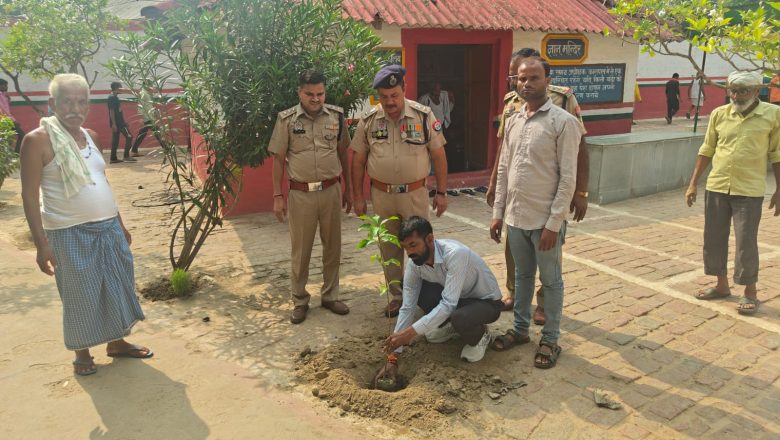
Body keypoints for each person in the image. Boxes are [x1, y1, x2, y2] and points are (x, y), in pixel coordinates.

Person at [20, 74, 151, 376]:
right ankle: (82, 353)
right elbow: (28, 196)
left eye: (81, 102)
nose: (74, 108)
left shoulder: (91, 135)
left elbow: (101, 182)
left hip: (108, 228)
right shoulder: (36, 141)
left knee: (117, 286)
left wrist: (121, 224)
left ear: (88, 105)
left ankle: (117, 343)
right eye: (67, 101)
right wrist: (41, 245)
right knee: (80, 294)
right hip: (68, 233)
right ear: (53, 103)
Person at [489, 57, 582, 369]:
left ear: (547, 80)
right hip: (516, 218)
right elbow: (504, 169)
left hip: (545, 222)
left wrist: (555, 223)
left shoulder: (562, 122)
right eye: (520, 79)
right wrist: (498, 213)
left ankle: (551, 339)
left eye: (533, 78)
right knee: (523, 276)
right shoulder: (514, 120)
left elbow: (568, 177)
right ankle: (520, 329)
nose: (525, 84)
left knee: (551, 280)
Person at [351, 65, 448, 318]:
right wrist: (358, 196)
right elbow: (358, 160)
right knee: (388, 246)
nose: (390, 101)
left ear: (404, 90)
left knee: (423, 246)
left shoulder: (423, 116)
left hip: (415, 194)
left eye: (394, 95)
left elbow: (438, 156)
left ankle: (429, 296)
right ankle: (396, 296)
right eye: (384, 97)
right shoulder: (369, 121)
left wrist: (442, 192)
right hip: (381, 195)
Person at [685, 70, 780, 315]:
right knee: (713, 238)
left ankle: (750, 292)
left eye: (743, 91)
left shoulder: (772, 114)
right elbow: (707, 149)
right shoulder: (719, 114)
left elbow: (776, 155)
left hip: (749, 190)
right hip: (717, 185)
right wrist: (693, 183)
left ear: (756, 91)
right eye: (733, 90)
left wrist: (779, 189)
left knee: (745, 241)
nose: (737, 95)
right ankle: (721, 285)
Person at [372, 216, 503, 384]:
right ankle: (453, 326)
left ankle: (480, 336)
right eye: (405, 248)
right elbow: (408, 307)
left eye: (413, 245)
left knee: (459, 317)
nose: (410, 253)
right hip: (458, 300)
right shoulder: (415, 263)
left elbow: (448, 305)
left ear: (430, 239)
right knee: (413, 288)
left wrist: (409, 333)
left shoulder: (455, 254)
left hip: (486, 303)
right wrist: (393, 357)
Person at [269, 70, 352, 324]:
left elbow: (343, 153)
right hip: (301, 194)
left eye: (320, 93)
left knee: (333, 247)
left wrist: (347, 187)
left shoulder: (336, 116)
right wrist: (277, 195)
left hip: (331, 190)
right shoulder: (286, 120)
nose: (316, 99)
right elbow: (278, 159)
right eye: (310, 94)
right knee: (301, 250)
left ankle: (330, 295)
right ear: (299, 92)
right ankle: (300, 300)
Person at [107, 82, 136, 164]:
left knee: (115, 140)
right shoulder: (112, 97)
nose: (122, 89)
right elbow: (111, 111)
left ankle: (113, 158)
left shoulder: (114, 97)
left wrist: (123, 121)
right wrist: (114, 124)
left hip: (119, 122)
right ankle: (126, 156)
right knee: (129, 136)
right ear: (117, 88)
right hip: (118, 123)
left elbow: (118, 111)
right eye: (121, 87)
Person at [0, 78, 25, 153]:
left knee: (7, 138)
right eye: (4, 85)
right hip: (6, 120)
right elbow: (4, 110)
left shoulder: (4, 95)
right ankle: (15, 154)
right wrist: (14, 120)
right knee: (22, 135)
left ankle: (11, 155)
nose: (6, 87)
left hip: (6, 120)